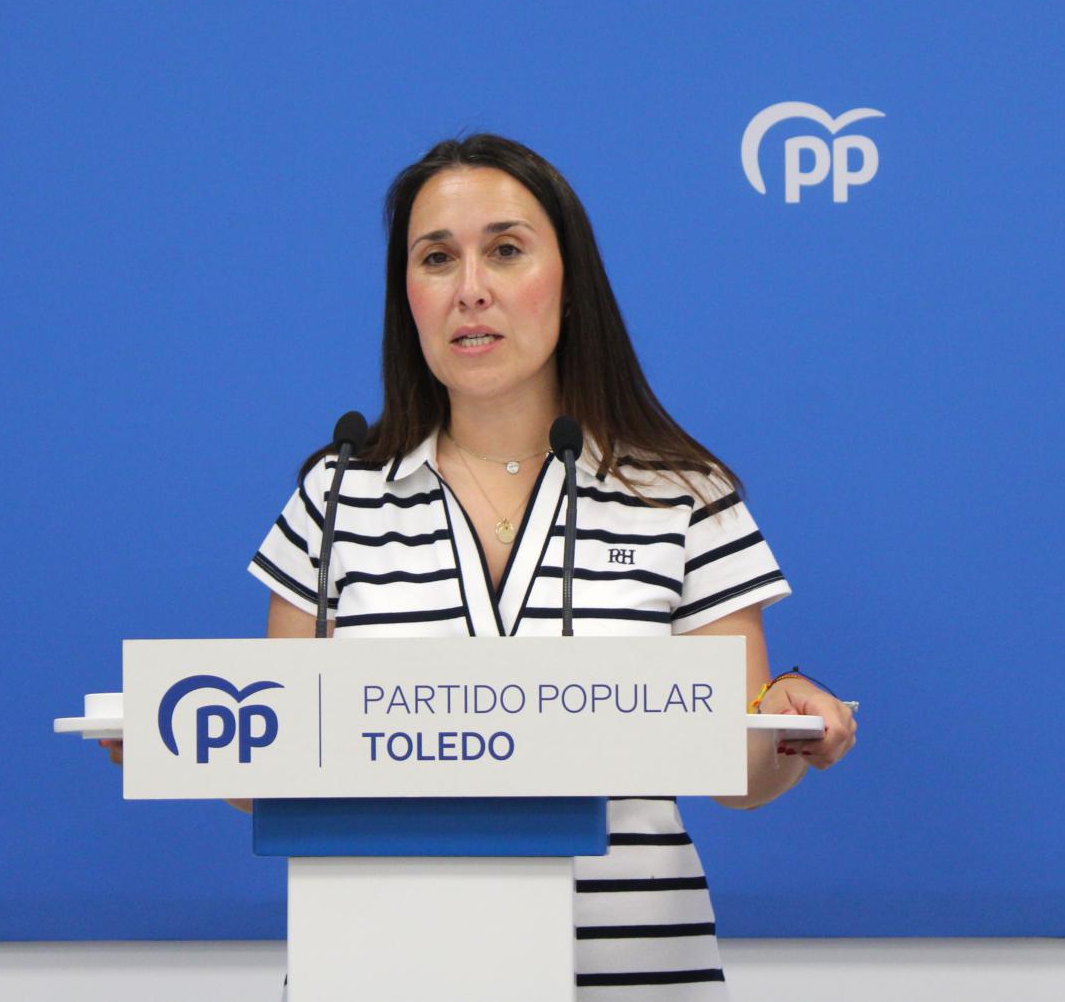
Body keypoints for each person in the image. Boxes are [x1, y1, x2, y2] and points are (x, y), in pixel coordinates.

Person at [110, 133, 858, 995]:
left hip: (632, 971)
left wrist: (789, 729)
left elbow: (734, 769)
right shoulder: (338, 493)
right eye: (437, 258)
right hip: (380, 970)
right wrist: (186, 743)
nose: (471, 288)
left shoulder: (681, 492)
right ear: (407, 297)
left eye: (505, 250)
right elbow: (281, 767)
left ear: (570, 283)